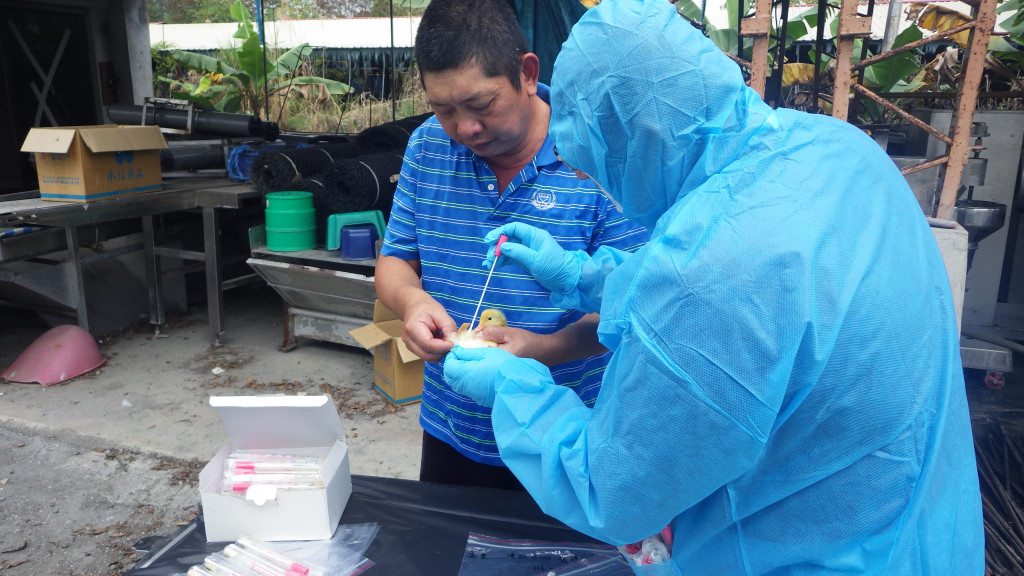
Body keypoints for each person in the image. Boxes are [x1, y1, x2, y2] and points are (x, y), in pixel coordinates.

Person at [442, 0, 985, 572]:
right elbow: (769, 282)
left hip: (809, 553)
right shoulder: (837, 149)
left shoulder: (709, 278)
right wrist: (583, 276)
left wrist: (514, 389)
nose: (603, 185)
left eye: (597, 165)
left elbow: (613, 491)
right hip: (926, 527)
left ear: (635, 138)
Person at [374, 0, 649, 490]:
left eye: (481, 106)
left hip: (568, 432)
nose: (465, 129)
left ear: (526, 73)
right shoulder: (426, 147)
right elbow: (395, 259)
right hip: (452, 427)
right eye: (444, 109)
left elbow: (638, 304)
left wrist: (541, 350)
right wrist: (413, 303)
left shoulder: (593, 154)